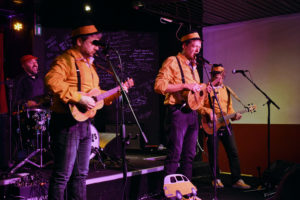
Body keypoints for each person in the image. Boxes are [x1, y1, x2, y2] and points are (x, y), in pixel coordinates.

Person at [45, 22, 125, 200]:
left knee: (81, 174)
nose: (97, 47)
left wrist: (117, 92)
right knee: (62, 175)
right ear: (79, 41)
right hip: (67, 123)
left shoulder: (91, 66)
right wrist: (77, 97)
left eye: (98, 43)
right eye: (93, 42)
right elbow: (51, 80)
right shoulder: (65, 60)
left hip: (85, 124)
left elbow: (95, 95)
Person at [154, 31, 204, 180]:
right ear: (184, 45)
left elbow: (194, 93)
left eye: (199, 48)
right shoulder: (172, 61)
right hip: (178, 113)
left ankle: (185, 191)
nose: (197, 50)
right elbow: (159, 86)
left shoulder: (194, 67)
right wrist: (184, 85)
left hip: (192, 114)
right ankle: (169, 192)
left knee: (189, 155)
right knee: (175, 153)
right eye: (194, 46)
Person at [198, 64, 251, 189]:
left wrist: (235, 116)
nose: (219, 76)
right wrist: (208, 112)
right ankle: (215, 178)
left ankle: (237, 180)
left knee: (233, 152)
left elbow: (230, 109)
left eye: (221, 74)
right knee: (214, 154)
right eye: (216, 74)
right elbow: (198, 106)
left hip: (226, 124)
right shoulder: (206, 89)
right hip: (211, 125)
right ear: (211, 75)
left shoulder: (227, 90)